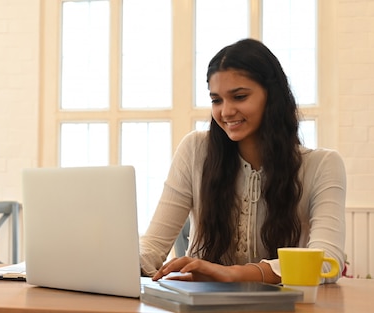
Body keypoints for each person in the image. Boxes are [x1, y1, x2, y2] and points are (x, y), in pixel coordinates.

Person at [139, 38, 346, 284]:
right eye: (216, 100)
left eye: (239, 97)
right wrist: (118, 263)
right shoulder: (195, 150)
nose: (225, 111)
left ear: (272, 97)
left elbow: (326, 262)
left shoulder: (323, 165)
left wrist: (232, 274)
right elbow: (153, 245)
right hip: (201, 306)